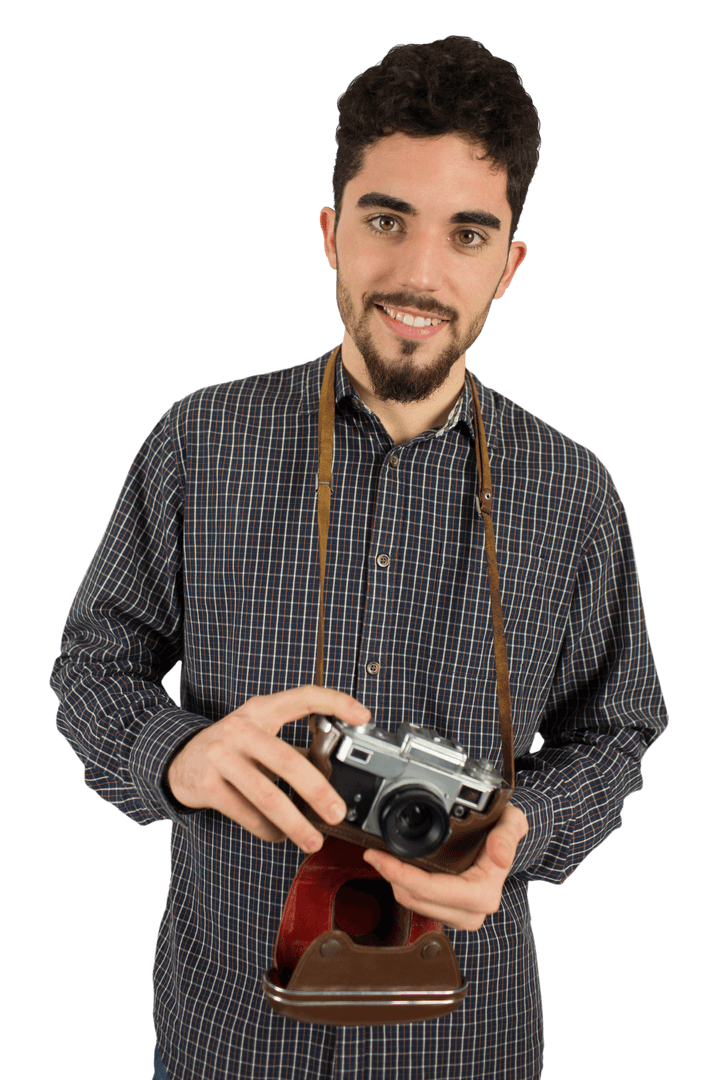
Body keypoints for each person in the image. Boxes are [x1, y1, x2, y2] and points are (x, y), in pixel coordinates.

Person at [50, 35, 668, 1080]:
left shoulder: (576, 489)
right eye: (388, 220)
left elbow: (619, 728)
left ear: (509, 265)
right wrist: (177, 756)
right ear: (332, 232)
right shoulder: (199, 439)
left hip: (465, 1043)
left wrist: (525, 830)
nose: (421, 273)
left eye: (467, 234)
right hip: (226, 1034)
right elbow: (90, 669)